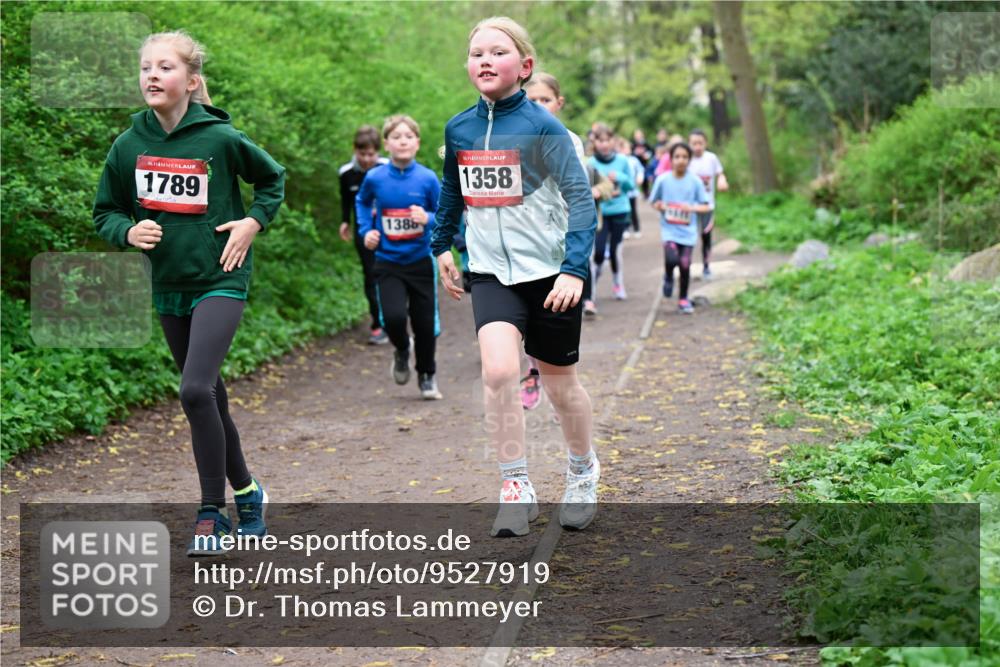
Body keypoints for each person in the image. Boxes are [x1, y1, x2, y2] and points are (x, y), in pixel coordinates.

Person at [93, 30, 285, 556]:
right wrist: (127, 233)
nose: (152, 75)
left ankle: (211, 513)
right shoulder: (128, 145)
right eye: (145, 68)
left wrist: (251, 222)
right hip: (169, 284)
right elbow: (105, 211)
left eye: (165, 67)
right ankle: (248, 492)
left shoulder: (220, 139)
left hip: (221, 276)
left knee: (194, 390)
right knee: (210, 397)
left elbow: (272, 180)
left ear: (191, 81)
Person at [432, 17, 600, 536]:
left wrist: (574, 271)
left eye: (497, 52)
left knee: (559, 385)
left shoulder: (543, 129)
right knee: (500, 373)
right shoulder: (458, 128)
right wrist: (441, 245)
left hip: (551, 275)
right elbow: (452, 195)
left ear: (524, 67)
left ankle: (581, 470)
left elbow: (580, 200)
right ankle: (514, 484)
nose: (484, 60)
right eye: (475, 52)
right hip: (491, 273)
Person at [356, 115, 443, 400]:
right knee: (392, 317)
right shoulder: (375, 177)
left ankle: (427, 375)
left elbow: (444, 215)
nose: (403, 141)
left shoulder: (428, 178)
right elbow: (363, 201)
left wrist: (427, 218)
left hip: (420, 261)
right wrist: (366, 231)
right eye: (396, 137)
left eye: (408, 136)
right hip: (388, 261)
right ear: (386, 144)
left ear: (417, 143)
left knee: (424, 324)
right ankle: (402, 349)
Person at [339, 126, 389, 344]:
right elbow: (346, 200)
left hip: (391, 230)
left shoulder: (388, 167)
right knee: (371, 275)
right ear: (355, 150)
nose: (368, 159)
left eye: (372, 154)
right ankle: (378, 324)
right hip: (364, 230)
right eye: (363, 154)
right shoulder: (346, 173)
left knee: (392, 272)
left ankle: (394, 314)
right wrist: (344, 222)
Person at [648, 142, 711, 314]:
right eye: (677, 157)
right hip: (669, 230)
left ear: (689, 160)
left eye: (684, 157)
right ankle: (668, 276)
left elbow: (706, 206)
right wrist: (660, 206)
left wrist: (691, 208)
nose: (681, 160)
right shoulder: (663, 180)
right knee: (671, 260)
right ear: (671, 159)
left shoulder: (695, 182)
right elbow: (653, 202)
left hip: (688, 232)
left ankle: (683, 298)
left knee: (685, 265)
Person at [588, 124, 635, 302]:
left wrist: (621, 178)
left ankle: (618, 283)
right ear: (595, 143)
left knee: (615, 251)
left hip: (620, 211)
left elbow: (631, 186)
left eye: (608, 140)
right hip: (601, 213)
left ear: (613, 142)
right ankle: (597, 271)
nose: (604, 144)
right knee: (598, 252)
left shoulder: (623, 161)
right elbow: (588, 188)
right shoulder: (591, 163)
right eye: (600, 140)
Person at [688, 129, 728, 280]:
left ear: (705, 143)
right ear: (689, 144)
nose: (697, 147)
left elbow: (720, 173)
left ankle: (706, 267)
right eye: (694, 143)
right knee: (689, 237)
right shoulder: (687, 159)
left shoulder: (711, 158)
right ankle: (687, 266)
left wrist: (722, 180)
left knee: (706, 237)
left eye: (700, 143)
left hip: (707, 206)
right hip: (690, 207)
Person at [619, 137, 644, 239]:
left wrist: (640, 178)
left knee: (633, 210)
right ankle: (626, 229)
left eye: (628, 148)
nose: (627, 150)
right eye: (625, 148)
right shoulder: (619, 160)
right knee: (625, 211)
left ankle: (637, 229)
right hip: (623, 192)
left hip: (632, 191)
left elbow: (640, 170)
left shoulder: (634, 160)